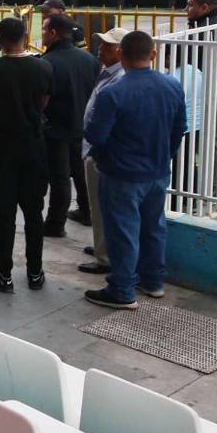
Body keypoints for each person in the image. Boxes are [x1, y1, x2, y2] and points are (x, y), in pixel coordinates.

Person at [83, 31, 186, 310]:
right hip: (156, 171)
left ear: (121, 54)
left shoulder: (113, 93)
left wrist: (104, 159)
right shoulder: (172, 85)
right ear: (153, 54)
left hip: (122, 174)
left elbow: (95, 135)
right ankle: (153, 281)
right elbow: (179, 129)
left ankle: (122, 290)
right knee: (153, 227)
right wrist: (164, 156)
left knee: (123, 232)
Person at [0, 17, 54, 293]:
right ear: (25, 36)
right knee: (34, 212)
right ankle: (35, 272)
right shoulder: (43, 67)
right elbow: (43, 102)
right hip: (33, 146)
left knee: (3, 214)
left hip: (0, 148)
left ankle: (3, 274)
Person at [40, 13, 99, 235]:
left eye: (44, 29)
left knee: (60, 177)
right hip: (82, 126)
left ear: (53, 33)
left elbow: (42, 100)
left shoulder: (47, 63)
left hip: (56, 128)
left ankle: (55, 223)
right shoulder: (89, 59)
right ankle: (87, 212)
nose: (42, 34)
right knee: (81, 173)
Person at [79, 27, 128, 275]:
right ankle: (103, 246)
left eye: (108, 46)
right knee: (98, 206)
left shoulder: (119, 78)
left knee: (102, 208)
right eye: (102, 44)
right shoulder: (108, 72)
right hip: (96, 151)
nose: (101, 49)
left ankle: (105, 257)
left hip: (102, 153)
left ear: (121, 51)